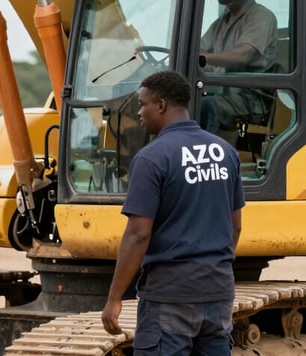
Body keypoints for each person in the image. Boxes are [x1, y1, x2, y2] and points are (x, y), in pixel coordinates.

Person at [101, 71, 244, 355]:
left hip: (171, 295)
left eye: (143, 104)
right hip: (218, 291)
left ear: (161, 105)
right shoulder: (225, 152)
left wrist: (115, 297)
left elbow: (138, 234)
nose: (139, 112)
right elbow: (235, 226)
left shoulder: (152, 158)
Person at [199, 0, 277, 138]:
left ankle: (205, 156)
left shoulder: (260, 16)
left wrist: (203, 58)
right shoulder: (222, 21)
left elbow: (243, 56)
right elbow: (199, 48)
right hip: (223, 92)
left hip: (250, 98)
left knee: (206, 106)